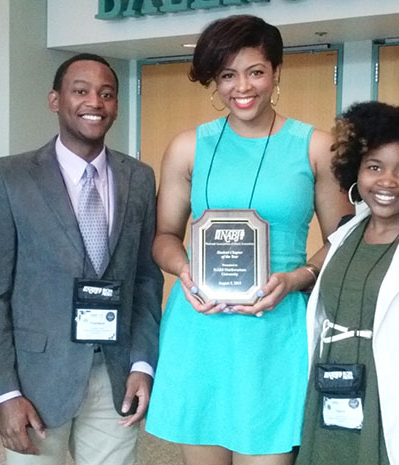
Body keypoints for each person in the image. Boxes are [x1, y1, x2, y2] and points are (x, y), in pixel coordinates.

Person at [145, 15, 350, 465]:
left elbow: (345, 239)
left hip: (275, 327)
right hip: (201, 324)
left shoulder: (315, 147)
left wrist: (299, 277)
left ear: (276, 72)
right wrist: (183, 269)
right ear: (215, 82)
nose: (243, 86)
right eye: (227, 75)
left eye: (255, 71)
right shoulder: (188, 147)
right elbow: (163, 237)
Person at [0, 53, 162, 465]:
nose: (95, 101)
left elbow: (146, 279)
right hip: (36, 382)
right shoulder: (10, 177)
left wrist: (143, 363)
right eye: (81, 91)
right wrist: (4, 392)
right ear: (55, 99)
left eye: (107, 94)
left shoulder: (140, 178)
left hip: (114, 377)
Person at [296, 101, 399, 465]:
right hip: (327, 402)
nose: (386, 181)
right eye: (374, 167)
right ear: (356, 171)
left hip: (388, 412)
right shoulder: (345, 234)